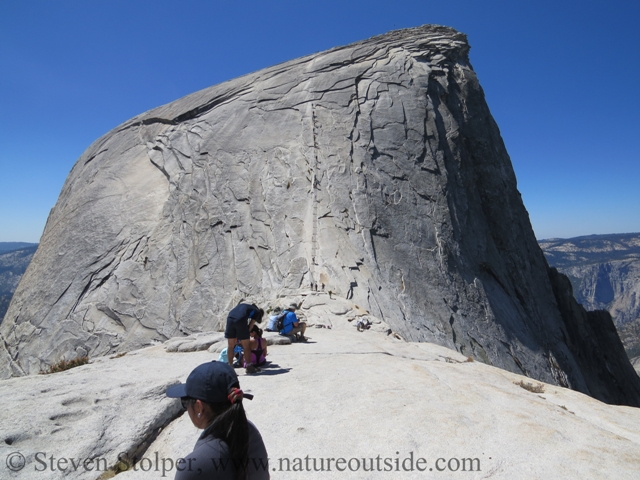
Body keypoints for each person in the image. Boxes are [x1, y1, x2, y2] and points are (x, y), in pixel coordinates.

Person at [166, 362, 269, 480]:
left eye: (185, 402)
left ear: (199, 407)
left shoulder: (192, 467)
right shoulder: (249, 430)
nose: (186, 407)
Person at [225, 303, 264, 374]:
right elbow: (250, 326)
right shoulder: (257, 312)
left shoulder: (245, 307)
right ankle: (249, 367)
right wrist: (244, 334)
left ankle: (230, 367)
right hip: (241, 319)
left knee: (230, 346)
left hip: (230, 318)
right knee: (246, 346)